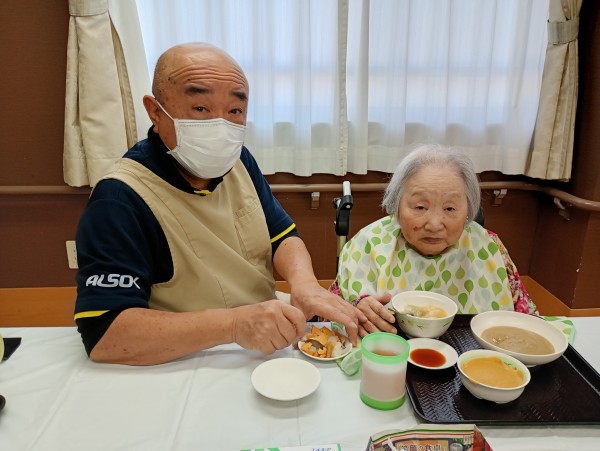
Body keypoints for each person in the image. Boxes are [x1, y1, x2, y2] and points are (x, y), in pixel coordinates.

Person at [74, 42, 363, 365]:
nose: (221, 127)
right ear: (155, 111)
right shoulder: (119, 199)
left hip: (263, 335)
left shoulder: (239, 161)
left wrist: (305, 284)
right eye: (201, 108)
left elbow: (282, 235)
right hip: (183, 356)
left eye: (234, 111)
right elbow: (105, 336)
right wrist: (235, 325)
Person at [331, 144, 537, 337]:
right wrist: (354, 309)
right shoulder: (367, 244)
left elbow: (529, 321)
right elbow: (327, 322)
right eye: (420, 207)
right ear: (396, 205)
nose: (434, 224)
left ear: (468, 209)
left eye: (450, 208)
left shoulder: (489, 246)